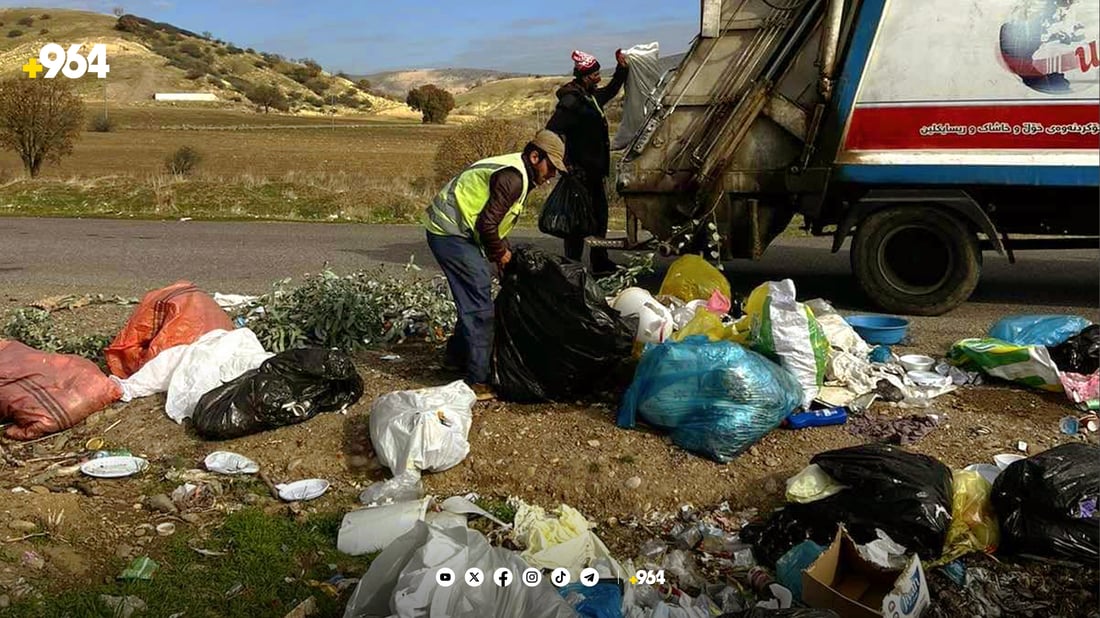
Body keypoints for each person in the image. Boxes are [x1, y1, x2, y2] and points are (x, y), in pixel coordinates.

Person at [422, 130, 566, 400]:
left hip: (459, 233)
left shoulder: (518, 174)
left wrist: (503, 253)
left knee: (472, 296)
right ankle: (477, 380)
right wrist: (500, 254)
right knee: (478, 299)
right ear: (535, 157)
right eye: (551, 167)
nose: (551, 176)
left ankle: (455, 358)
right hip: (449, 232)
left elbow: (494, 222)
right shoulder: (513, 177)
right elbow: (486, 225)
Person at [546, 48, 629, 276]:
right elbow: (552, 131)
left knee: (599, 218)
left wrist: (622, 69)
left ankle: (599, 262)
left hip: (594, 173)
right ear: (584, 76)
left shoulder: (589, 98)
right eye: (595, 75)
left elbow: (611, 90)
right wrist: (565, 164)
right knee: (577, 221)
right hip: (579, 174)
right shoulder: (571, 102)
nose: (599, 78)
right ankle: (572, 266)